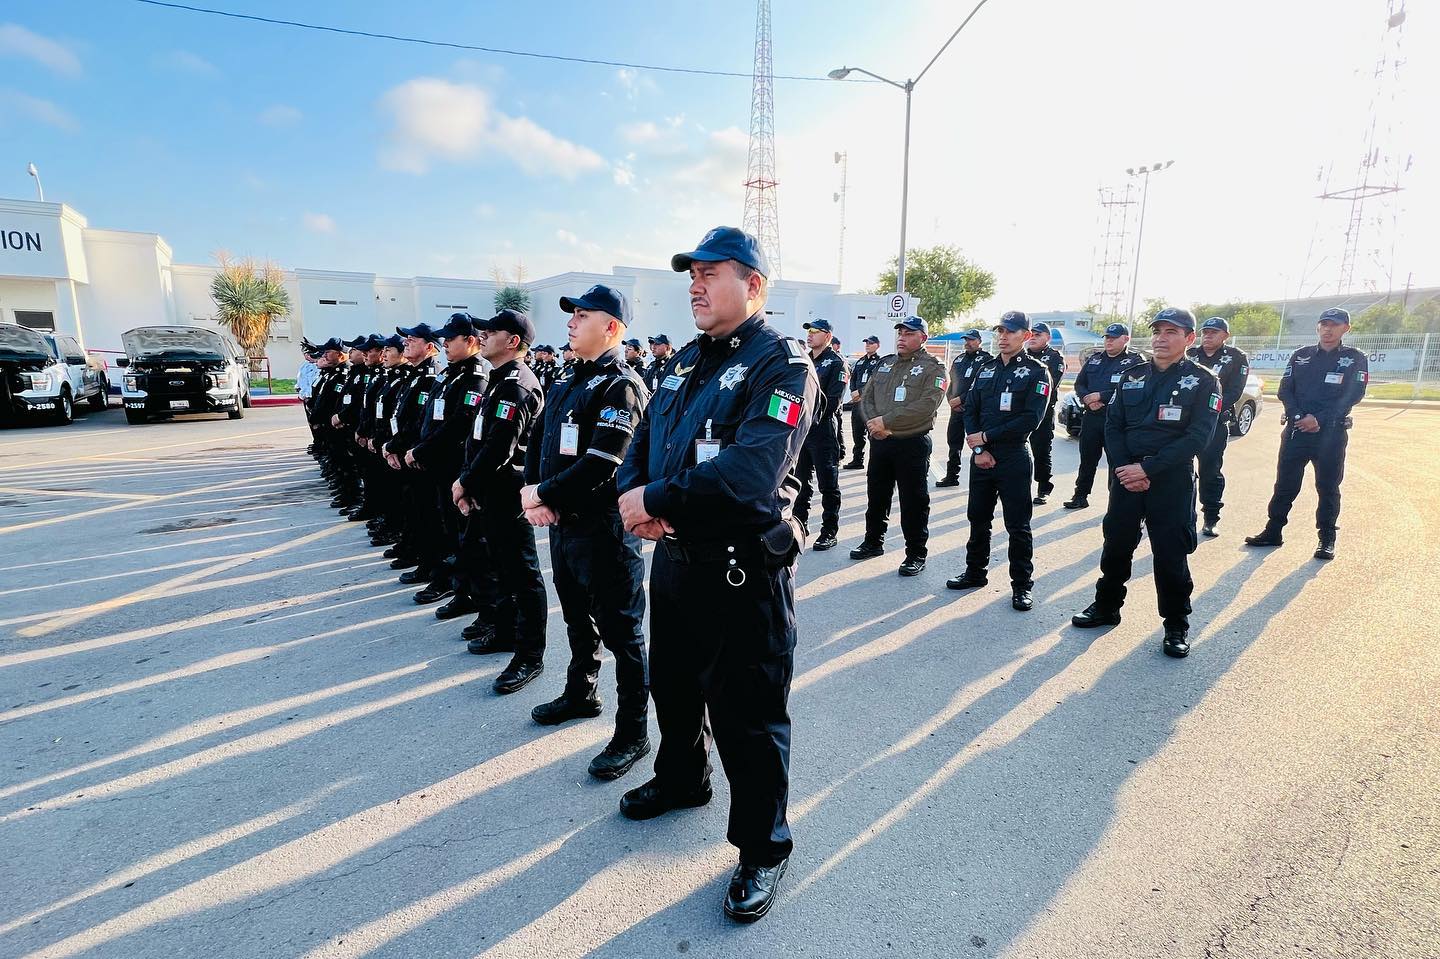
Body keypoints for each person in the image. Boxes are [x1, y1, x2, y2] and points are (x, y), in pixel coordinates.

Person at [616, 225, 818, 923]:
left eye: (712, 272)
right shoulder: (681, 364)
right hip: (674, 566)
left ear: (754, 285)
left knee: (748, 719)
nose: (696, 285)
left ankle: (765, 845)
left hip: (739, 576)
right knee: (670, 687)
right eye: (690, 275)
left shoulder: (781, 364)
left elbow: (752, 471)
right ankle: (681, 778)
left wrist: (659, 500)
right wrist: (631, 495)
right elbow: (645, 440)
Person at [521, 284, 652, 779]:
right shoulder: (566, 379)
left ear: (612, 327)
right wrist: (531, 492)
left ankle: (633, 732)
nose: (571, 322)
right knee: (577, 617)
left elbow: (603, 462)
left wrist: (544, 496)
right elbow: (539, 439)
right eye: (570, 315)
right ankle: (581, 691)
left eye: (582, 315)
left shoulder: (621, 384)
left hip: (604, 532)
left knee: (624, 634)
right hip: (563, 526)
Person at [1072, 308, 1219, 658]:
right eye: (1157, 331)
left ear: (1189, 339)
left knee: (1170, 552)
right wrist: (1125, 467)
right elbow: (1114, 425)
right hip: (1126, 476)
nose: (1161, 338)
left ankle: (1176, 624)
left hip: (1170, 479)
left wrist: (1148, 469)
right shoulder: (1132, 375)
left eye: (1171, 332)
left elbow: (1198, 437)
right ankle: (1106, 606)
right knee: (1117, 543)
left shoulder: (1204, 380)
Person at [945, 311, 1052, 610]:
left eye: (1011, 331)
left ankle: (1021, 585)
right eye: (1000, 331)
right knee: (978, 518)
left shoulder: (1037, 372)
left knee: (1018, 524)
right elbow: (970, 410)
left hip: (1014, 455)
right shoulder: (987, 369)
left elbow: (1032, 418)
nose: (1003, 337)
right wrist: (979, 450)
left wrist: (987, 438)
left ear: (1026, 336)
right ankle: (975, 572)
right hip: (982, 457)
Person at [1246, 308, 1368, 560]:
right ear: (1318, 327)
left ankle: (1326, 539)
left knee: (1328, 487)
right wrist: (1300, 417)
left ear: (1346, 328)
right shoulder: (1301, 355)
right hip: (1297, 432)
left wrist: (1319, 419)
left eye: (1334, 325)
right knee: (1285, 486)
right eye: (1323, 324)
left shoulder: (1354, 358)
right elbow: (1285, 390)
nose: (1327, 329)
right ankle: (1273, 531)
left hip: (1331, 435)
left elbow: (1352, 394)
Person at [402, 314, 489, 609]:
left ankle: (464, 591)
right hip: (436, 465)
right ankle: (452, 583)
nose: (445, 344)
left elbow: (458, 425)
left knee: (461, 536)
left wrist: (421, 451)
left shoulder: (475, 378)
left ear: (471, 341)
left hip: (453, 466)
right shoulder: (450, 374)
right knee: (444, 528)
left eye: (451, 339)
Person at [849, 317, 947, 575]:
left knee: (913, 501)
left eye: (909, 333)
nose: (902, 337)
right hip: (881, 442)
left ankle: (915, 553)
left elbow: (928, 405)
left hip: (911, 443)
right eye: (900, 333)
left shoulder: (933, 367)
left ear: (923, 338)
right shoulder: (885, 363)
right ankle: (873, 542)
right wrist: (873, 423)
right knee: (877, 495)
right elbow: (867, 396)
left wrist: (887, 422)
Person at [1064, 323, 1145, 509]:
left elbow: (1133, 388)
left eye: (1114, 337)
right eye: (1107, 337)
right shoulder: (1094, 360)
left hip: (1117, 420)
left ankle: (1115, 499)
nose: (1109, 341)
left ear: (1125, 339)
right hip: (1092, 417)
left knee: (1116, 460)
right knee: (1087, 459)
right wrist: (1088, 399)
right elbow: (1080, 384)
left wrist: (1101, 396)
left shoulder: (1135, 362)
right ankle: (1080, 495)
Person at [1186, 317, 1250, 536]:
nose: (1208, 336)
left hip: (1214, 422)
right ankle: (1174, 512)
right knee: (1174, 467)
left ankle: (1211, 517)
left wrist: (1207, 409)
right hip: (1185, 422)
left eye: (1214, 332)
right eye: (1205, 332)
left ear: (1225, 336)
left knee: (1210, 471)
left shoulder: (1236, 357)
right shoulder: (1191, 354)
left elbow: (1234, 391)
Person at [793, 319, 847, 551]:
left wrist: (808, 412)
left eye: (815, 331)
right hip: (801, 430)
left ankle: (829, 531)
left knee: (828, 484)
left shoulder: (836, 363)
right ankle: (798, 524)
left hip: (822, 429)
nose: (810, 335)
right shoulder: (803, 360)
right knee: (800, 481)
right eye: (809, 331)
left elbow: (834, 400)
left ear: (827, 336)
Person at [936, 328, 992, 487]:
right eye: (966, 340)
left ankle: (986, 481)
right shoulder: (959, 359)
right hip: (956, 410)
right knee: (954, 443)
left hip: (975, 411)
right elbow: (950, 383)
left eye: (971, 340)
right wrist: (951, 400)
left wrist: (962, 400)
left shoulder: (986, 360)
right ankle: (952, 476)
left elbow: (983, 386)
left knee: (979, 445)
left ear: (979, 341)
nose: (967, 343)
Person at [1024, 322, 1066, 505]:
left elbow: (1050, 385)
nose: (1033, 337)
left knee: (1041, 451)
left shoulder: (1054, 358)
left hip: (1042, 413)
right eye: (1031, 334)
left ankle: (1043, 488)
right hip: (1018, 412)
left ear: (1047, 338)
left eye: (1038, 335)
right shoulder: (1021, 356)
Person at [843, 335, 883, 469]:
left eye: (870, 343)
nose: (867, 345)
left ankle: (874, 463)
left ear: (877, 345)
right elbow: (853, 379)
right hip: (857, 403)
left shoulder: (879, 362)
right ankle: (857, 459)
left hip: (870, 404)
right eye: (866, 343)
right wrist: (853, 391)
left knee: (873, 433)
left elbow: (876, 381)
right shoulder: (860, 362)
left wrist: (860, 393)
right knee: (857, 432)